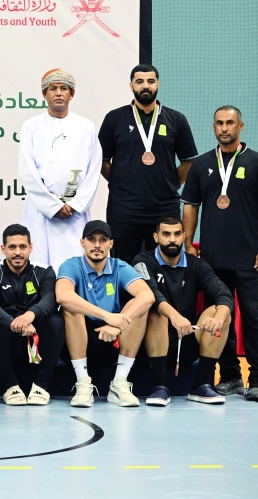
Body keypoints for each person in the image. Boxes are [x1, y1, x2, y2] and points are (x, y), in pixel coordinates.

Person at [182, 106, 258, 401]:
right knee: (220, 319)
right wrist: (189, 244)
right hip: (212, 258)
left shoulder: (254, 161)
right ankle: (229, 376)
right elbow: (190, 206)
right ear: (213, 126)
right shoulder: (201, 165)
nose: (224, 128)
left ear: (240, 125)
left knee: (253, 318)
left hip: (249, 257)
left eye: (229, 123)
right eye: (219, 123)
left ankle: (256, 378)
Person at [99, 65, 198, 262]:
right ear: (131, 85)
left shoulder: (176, 119)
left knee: (165, 267)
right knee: (123, 267)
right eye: (140, 82)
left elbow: (188, 160)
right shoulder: (114, 118)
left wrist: (171, 183)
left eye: (151, 82)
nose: (146, 86)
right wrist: (120, 179)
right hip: (124, 208)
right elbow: (101, 160)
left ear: (158, 84)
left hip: (163, 208)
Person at [134, 216, 232, 406]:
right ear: (155, 237)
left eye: (177, 234)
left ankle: (202, 384)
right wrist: (174, 316)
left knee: (220, 312)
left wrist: (219, 318)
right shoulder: (142, 261)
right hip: (149, 344)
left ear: (184, 236)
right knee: (155, 311)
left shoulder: (197, 265)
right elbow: (151, 293)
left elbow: (223, 293)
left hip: (185, 337)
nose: (172, 239)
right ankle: (160, 386)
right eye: (166, 234)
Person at [56, 221, 155, 408]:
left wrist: (116, 325)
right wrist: (107, 316)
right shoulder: (71, 265)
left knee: (140, 306)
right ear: (82, 242)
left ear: (111, 244)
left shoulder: (120, 267)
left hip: (113, 338)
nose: (97, 245)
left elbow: (147, 296)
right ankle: (83, 383)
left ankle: (119, 382)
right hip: (80, 339)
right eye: (91, 239)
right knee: (71, 306)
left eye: (103, 240)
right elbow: (62, 296)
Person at [19, 69, 103, 270]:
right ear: (44, 94)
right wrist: (52, 206)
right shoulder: (31, 127)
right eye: (52, 89)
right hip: (41, 211)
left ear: (71, 94)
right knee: (39, 266)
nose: (58, 93)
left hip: (75, 213)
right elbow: (27, 171)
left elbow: (94, 170)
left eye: (63, 88)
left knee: (74, 268)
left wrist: (75, 204)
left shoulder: (86, 127)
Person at [0, 224, 63, 406]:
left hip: (34, 343)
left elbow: (50, 299)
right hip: (3, 344)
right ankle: (10, 386)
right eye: (12, 247)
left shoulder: (44, 271)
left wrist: (29, 316)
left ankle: (41, 386)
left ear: (30, 248)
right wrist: (12, 322)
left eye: (23, 247)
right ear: (3, 249)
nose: (17, 252)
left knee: (56, 320)